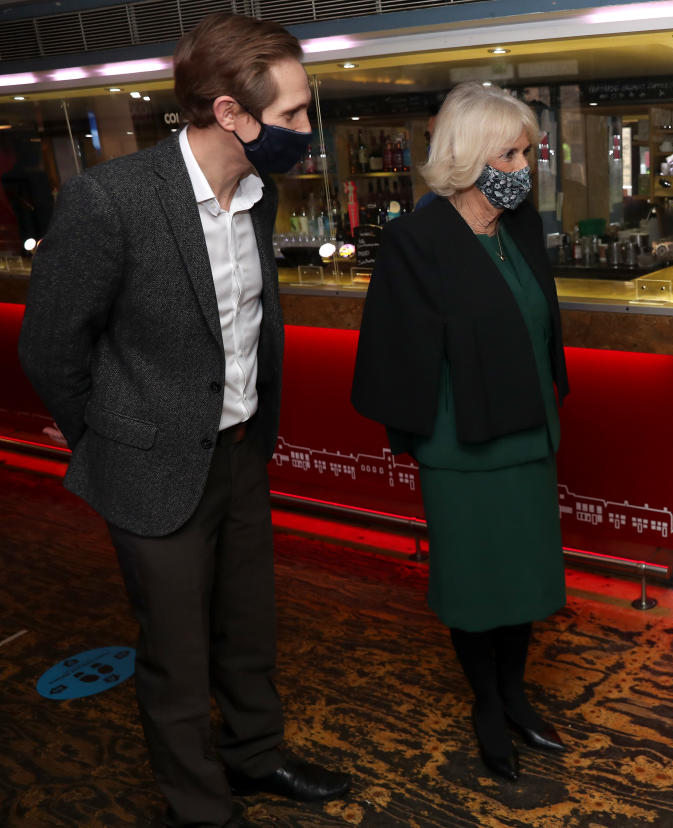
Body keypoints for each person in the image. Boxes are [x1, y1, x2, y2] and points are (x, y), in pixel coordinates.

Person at [18, 13, 350, 827]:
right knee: (175, 651)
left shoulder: (258, 197)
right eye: (295, 114)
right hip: (150, 466)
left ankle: (255, 757)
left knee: (248, 627)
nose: (308, 129)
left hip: (238, 454)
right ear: (232, 114)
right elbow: (50, 347)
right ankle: (202, 809)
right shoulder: (111, 200)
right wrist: (111, 438)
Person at [351, 82, 569, 782]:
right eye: (510, 152)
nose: (524, 165)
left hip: (528, 439)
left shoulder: (522, 227)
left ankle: (515, 694)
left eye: (528, 151)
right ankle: (486, 705)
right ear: (471, 156)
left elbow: (542, 333)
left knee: (525, 581)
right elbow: (396, 352)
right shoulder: (419, 239)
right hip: (461, 450)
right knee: (478, 589)